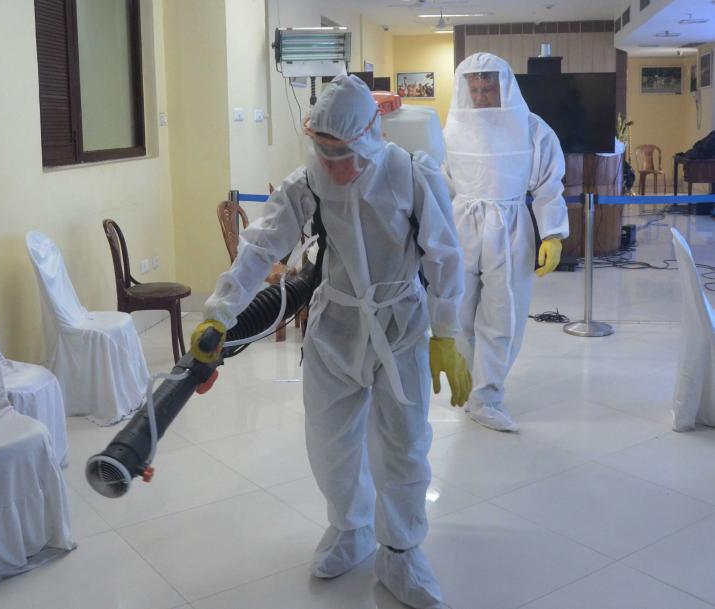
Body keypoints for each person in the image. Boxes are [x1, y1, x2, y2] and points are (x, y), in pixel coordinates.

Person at [191, 74, 471, 609]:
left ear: (370, 136)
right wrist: (220, 313)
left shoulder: (410, 175)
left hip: (400, 327)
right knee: (329, 444)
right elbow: (260, 247)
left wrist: (447, 333)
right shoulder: (308, 183)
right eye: (323, 150)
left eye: (343, 152)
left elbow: (444, 255)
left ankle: (401, 551)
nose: (334, 164)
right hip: (335, 329)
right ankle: (350, 528)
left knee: (404, 446)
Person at [443, 53, 568, 432]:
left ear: (504, 87)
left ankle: (488, 396)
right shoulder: (451, 130)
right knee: (457, 313)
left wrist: (552, 233)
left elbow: (549, 183)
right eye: (476, 89)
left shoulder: (531, 128)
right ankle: (468, 387)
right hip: (461, 227)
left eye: (489, 88)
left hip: (511, 227)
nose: (482, 96)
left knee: (503, 315)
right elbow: (439, 184)